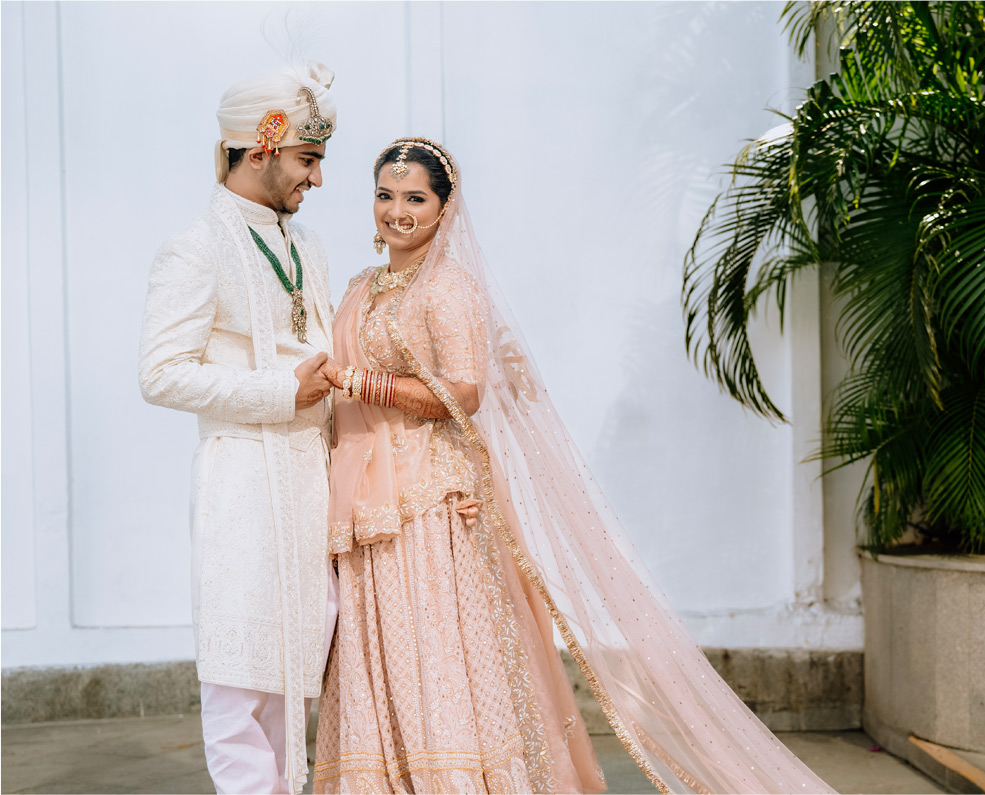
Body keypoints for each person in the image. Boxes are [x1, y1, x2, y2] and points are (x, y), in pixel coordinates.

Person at [313, 138, 836, 794]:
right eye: (385, 195)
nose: (397, 211)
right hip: (365, 504)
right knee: (381, 651)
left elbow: (465, 392)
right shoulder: (360, 287)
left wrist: (359, 382)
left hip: (429, 501)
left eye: (415, 197)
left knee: (435, 653)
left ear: (444, 209)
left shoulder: (447, 287)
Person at [138, 62, 341, 795]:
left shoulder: (304, 244)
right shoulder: (197, 246)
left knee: (294, 683)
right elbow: (161, 373)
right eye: (308, 159)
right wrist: (282, 391)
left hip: (312, 482)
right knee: (239, 686)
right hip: (244, 484)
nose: (317, 178)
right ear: (262, 147)